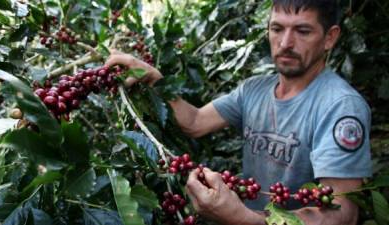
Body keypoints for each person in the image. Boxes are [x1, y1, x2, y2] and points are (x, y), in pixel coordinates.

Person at [105, 0, 372, 224]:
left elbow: (342, 215)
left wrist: (241, 217)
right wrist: (154, 80)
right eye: (277, 28)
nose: (285, 43)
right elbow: (195, 121)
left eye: (302, 31)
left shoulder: (340, 106)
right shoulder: (253, 90)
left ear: (330, 38)